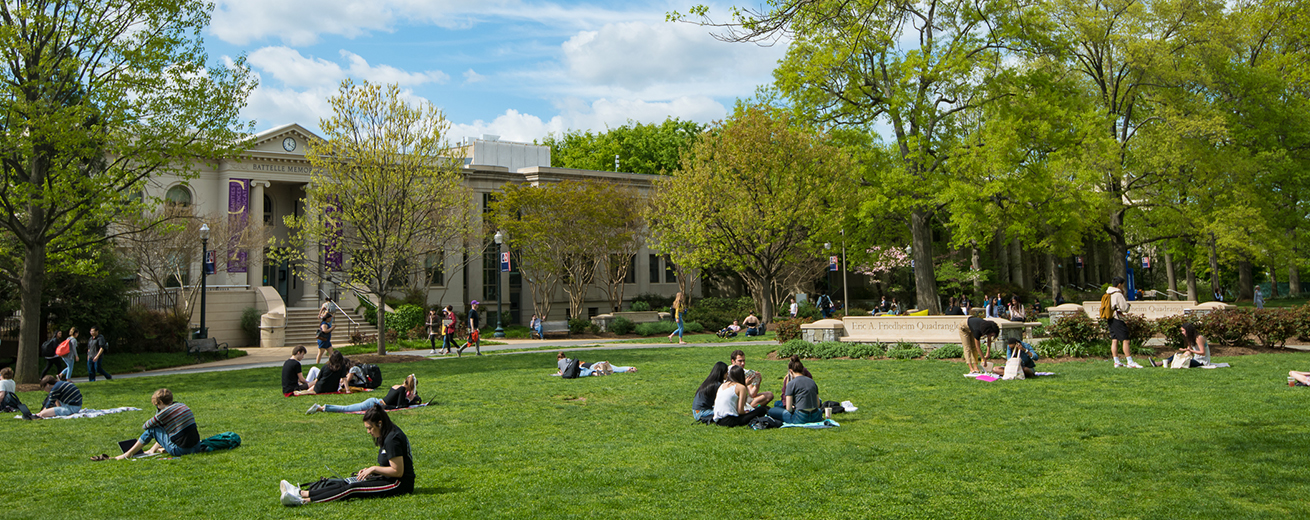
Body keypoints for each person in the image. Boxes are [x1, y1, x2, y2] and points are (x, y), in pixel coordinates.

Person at [279, 405, 415, 506]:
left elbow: (397, 471)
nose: (368, 432)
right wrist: (370, 472)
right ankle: (301, 492)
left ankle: (303, 501)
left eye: (369, 428)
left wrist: (373, 469)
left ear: (380, 424)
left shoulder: (392, 439)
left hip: (399, 484)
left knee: (353, 489)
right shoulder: (386, 433)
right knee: (348, 482)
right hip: (389, 479)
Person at [115, 388, 201, 459]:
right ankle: (152, 450)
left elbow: (146, 426)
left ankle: (128, 454)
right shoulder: (182, 405)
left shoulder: (164, 413)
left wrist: (158, 414)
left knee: (153, 429)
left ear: (161, 402)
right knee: (163, 427)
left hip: (181, 450)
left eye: (157, 405)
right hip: (197, 447)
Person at [308, 375, 420, 414]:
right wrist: (410, 400)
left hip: (375, 400)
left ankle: (323, 408)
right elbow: (400, 406)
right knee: (347, 409)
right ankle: (322, 408)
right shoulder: (401, 390)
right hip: (375, 403)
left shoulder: (397, 386)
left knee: (347, 408)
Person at [767, 357, 822, 424]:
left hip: (800, 417)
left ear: (791, 371)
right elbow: (818, 405)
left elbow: (789, 409)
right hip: (816, 416)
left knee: (772, 410)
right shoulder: (812, 382)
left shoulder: (791, 383)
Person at [1107, 276, 1142, 368]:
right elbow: (1124, 308)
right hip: (1118, 318)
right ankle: (1130, 361)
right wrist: (1128, 305)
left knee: (1114, 340)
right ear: (1119, 284)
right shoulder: (1118, 294)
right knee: (1125, 340)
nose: (1123, 286)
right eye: (1122, 284)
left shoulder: (1108, 293)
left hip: (1110, 318)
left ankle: (1116, 361)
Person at [555, 351, 636, 376]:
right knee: (614, 369)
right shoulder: (571, 361)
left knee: (612, 369)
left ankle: (601, 372)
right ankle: (630, 368)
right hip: (597, 363)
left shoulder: (580, 365)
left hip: (594, 366)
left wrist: (560, 372)